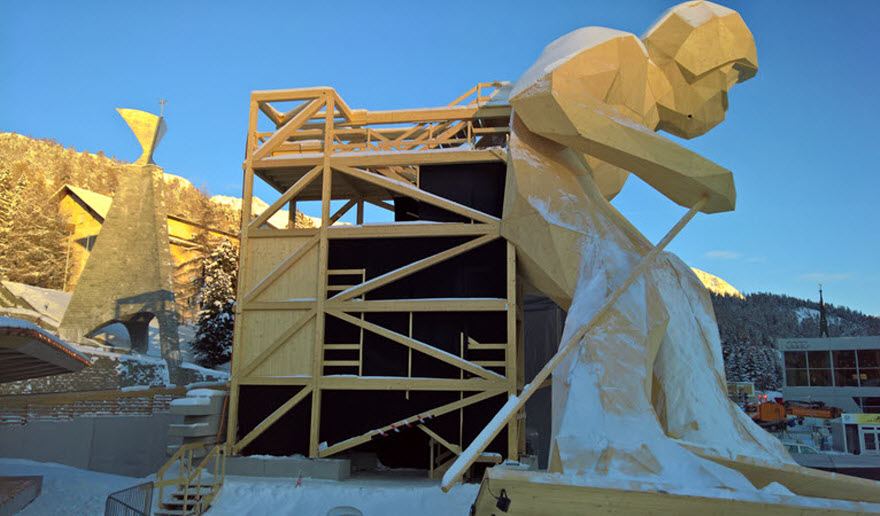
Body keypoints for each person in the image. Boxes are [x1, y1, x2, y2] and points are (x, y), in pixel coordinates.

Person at [500, 1, 792, 488]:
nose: (724, 97)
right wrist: (680, 168)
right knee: (618, 283)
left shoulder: (642, 105)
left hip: (578, 196)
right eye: (727, 78)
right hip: (533, 189)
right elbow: (540, 96)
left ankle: (704, 429)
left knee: (679, 282)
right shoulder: (616, 49)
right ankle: (609, 447)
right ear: (696, 56)